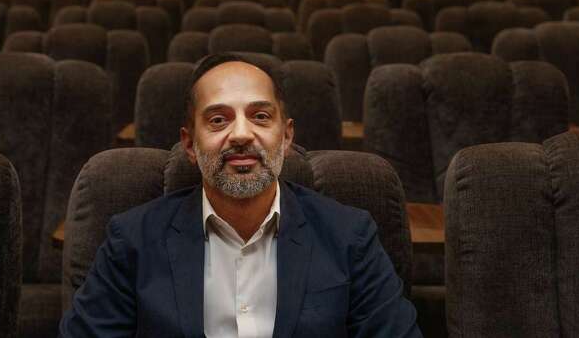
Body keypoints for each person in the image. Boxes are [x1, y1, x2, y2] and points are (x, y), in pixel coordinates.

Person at [60, 53, 422, 337]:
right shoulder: (132, 240)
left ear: (286, 136)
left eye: (260, 116)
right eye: (218, 120)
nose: (241, 134)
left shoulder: (349, 236)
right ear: (189, 143)